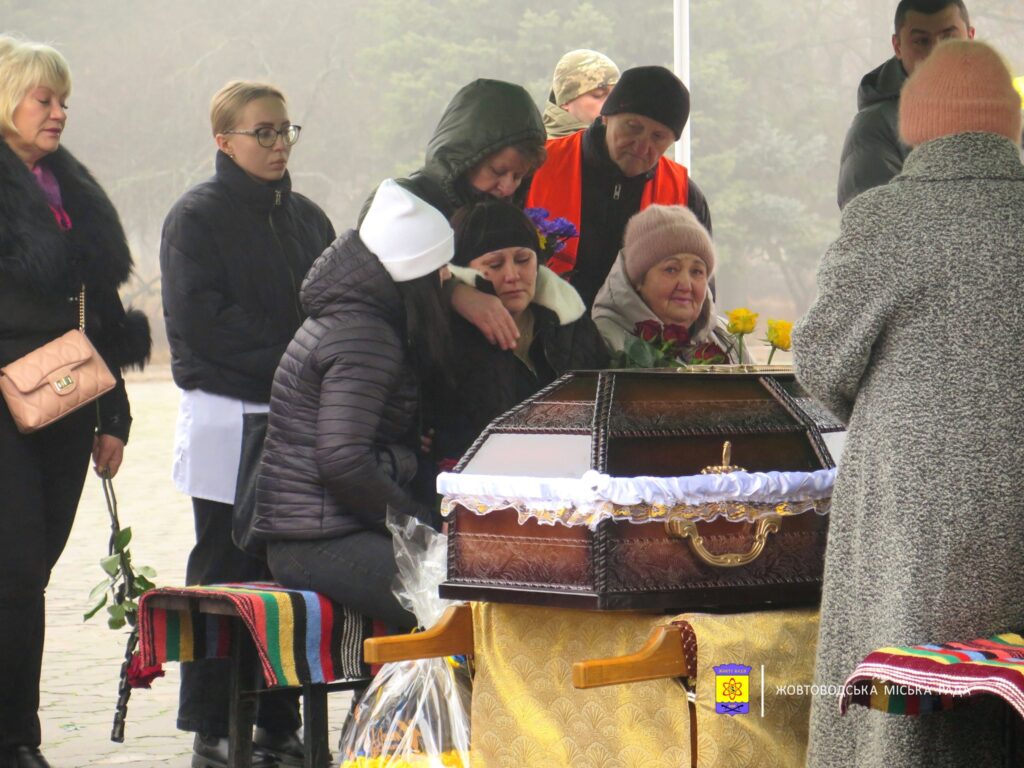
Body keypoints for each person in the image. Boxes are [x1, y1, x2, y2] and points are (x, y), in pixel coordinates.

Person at [794, 40, 1024, 767]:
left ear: (912, 125)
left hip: (912, 511)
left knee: (904, 694)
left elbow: (821, 362)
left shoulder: (884, 220)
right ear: (1009, 125)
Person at [159, 80, 335, 768]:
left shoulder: (309, 218)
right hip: (229, 417)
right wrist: (299, 358)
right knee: (224, 571)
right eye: (262, 131)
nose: (277, 144)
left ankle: (276, 718)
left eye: (285, 130)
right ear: (223, 141)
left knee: (287, 565)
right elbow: (202, 323)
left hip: (297, 417)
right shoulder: (195, 218)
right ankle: (211, 721)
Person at [0, 35, 150, 768]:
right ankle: (16, 740)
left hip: (63, 403)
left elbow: (102, 309)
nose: (58, 112)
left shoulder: (69, 186)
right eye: (44, 98)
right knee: (14, 564)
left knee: (30, 574)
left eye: (63, 101)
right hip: (1, 405)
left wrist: (112, 413)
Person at [253, 179, 454, 630]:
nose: (447, 278)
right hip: (317, 539)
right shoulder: (365, 335)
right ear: (415, 274)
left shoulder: (355, 320)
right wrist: (418, 524)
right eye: (440, 266)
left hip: (327, 528)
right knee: (455, 604)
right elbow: (343, 461)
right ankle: (404, 705)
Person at [526, 65, 713, 310]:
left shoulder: (685, 196)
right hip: (538, 331)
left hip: (637, 341)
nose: (641, 145)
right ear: (605, 116)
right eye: (632, 127)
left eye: (658, 137)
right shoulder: (537, 167)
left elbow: (699, 301)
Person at [435, 201, 609, 462]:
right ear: (463, 272)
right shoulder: (447, 335)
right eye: (494, 265)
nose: (512, 275)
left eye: (523, 260)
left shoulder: (571, 324)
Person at [836, 0, 974, 209]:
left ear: (970, 38)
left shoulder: (1002, 116)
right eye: (921, 41)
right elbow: (877, 229)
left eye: (949, 37)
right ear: (898, 46)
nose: (936, 52)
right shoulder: (874, 129)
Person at [592, 204, 741, 364]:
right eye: (671, 269)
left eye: (696, 271)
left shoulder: (727, 337)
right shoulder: (600, 342)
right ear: (638, 281)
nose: (686, 284)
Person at [542, 49, 620, 139]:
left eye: (615, 96)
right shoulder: (541, 149)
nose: (611, 104)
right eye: (598, 95)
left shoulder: (622, 144)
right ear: (566, 101)